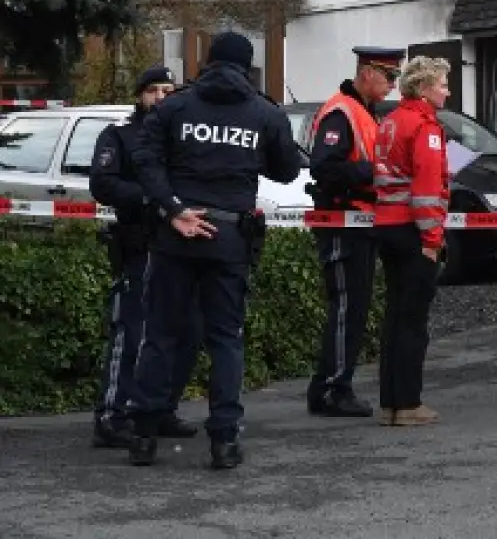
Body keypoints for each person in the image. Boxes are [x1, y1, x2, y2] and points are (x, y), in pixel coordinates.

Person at [127, 32, 302, 469]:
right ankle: (224, 441)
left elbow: (145, 160)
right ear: (247, 68)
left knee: (161, 336)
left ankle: (144, 436)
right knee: (225, 340)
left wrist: (174, 209)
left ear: (207, 62)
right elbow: (287, 170)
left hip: (175, 238)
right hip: (229, 239)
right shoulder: (264, 112)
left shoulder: (175, 106)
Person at [89, 66, 200, 449]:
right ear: (141, 95)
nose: (161, 97)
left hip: (180, 247)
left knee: (185, 332)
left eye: (168, 90)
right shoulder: (120, 133)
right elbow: (103, 183)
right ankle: (112, 415)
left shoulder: (182, 135)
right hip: (139, 243)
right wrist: (153, 197)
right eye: (153, 90)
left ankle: (159, 409)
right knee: (131, 331)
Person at [306, 46, 405, 418]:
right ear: (366, 72)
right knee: (348, 306)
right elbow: (325, 166)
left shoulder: (363, 111)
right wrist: (376, 173)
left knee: (353, 306)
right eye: (389, 77)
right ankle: (334, 389)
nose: (392, 85)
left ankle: (330, 385)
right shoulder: (341, 111)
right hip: (342, 221)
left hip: (358, 221)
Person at [372, 55, 451, 427]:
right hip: (411, 230)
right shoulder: (425, 127)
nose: (447, 92)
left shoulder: (389, 122)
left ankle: (390, 401)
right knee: (413, 320)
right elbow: (427, 189)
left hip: (385, 224)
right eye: (442, 84)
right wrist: (432, 239)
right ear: (422, 88)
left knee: (394, 315)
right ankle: (408, 403)